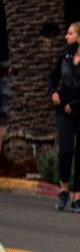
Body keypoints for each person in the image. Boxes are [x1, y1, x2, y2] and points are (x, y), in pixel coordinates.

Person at [49, 21, 80, 211]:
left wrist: (74, 105)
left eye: (70, 34)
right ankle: (64, 191)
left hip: (78, 110)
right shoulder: (65, 57)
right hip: (64, 112)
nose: (66, 37)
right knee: (66, 151)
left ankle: (78, 197)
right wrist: (53, 91)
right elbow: (52, 77)